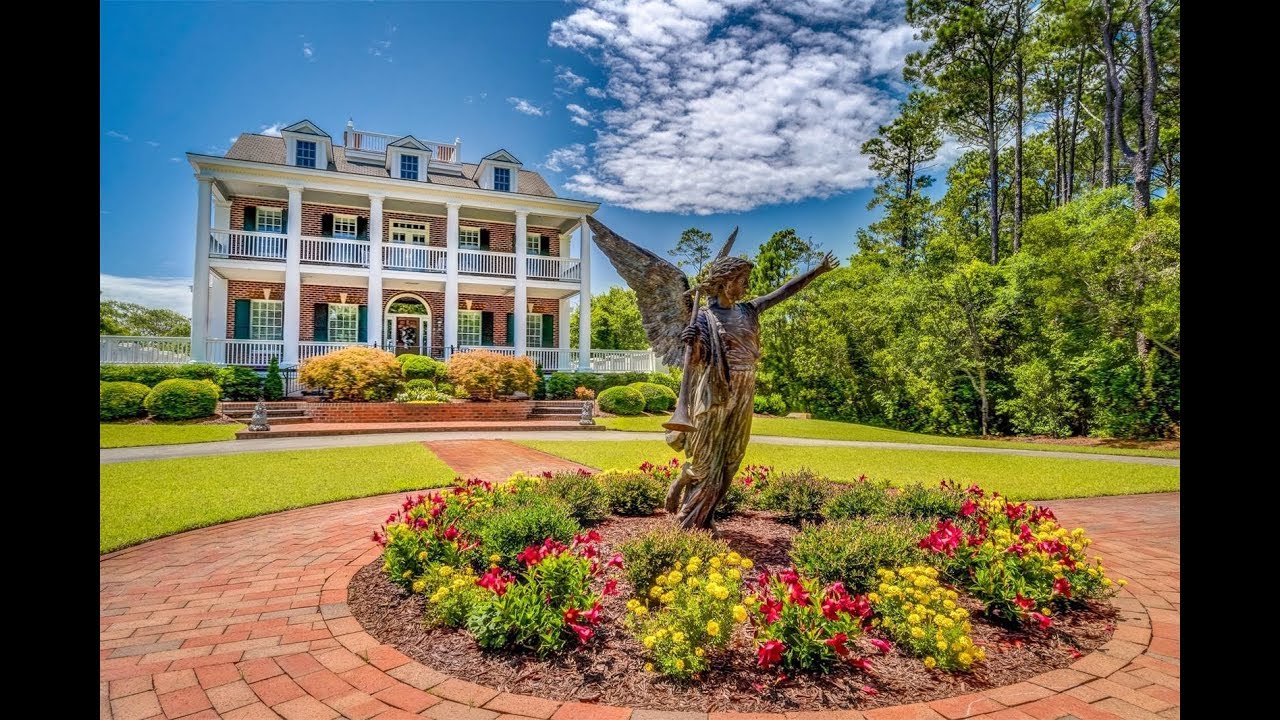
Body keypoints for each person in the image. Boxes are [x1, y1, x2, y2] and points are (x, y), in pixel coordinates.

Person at [664, 250, 839, 531]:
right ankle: (690, 520)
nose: (747, 286)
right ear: (725, 282)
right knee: (707, 459)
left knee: (732, 458)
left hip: (745, 388)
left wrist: (817, 271)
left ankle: (704, 516)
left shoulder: (749, 310)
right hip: (716, 389)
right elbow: (697, 360)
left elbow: (783, 292)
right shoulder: (703, 318)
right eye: (742, 280)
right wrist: (692, 341)